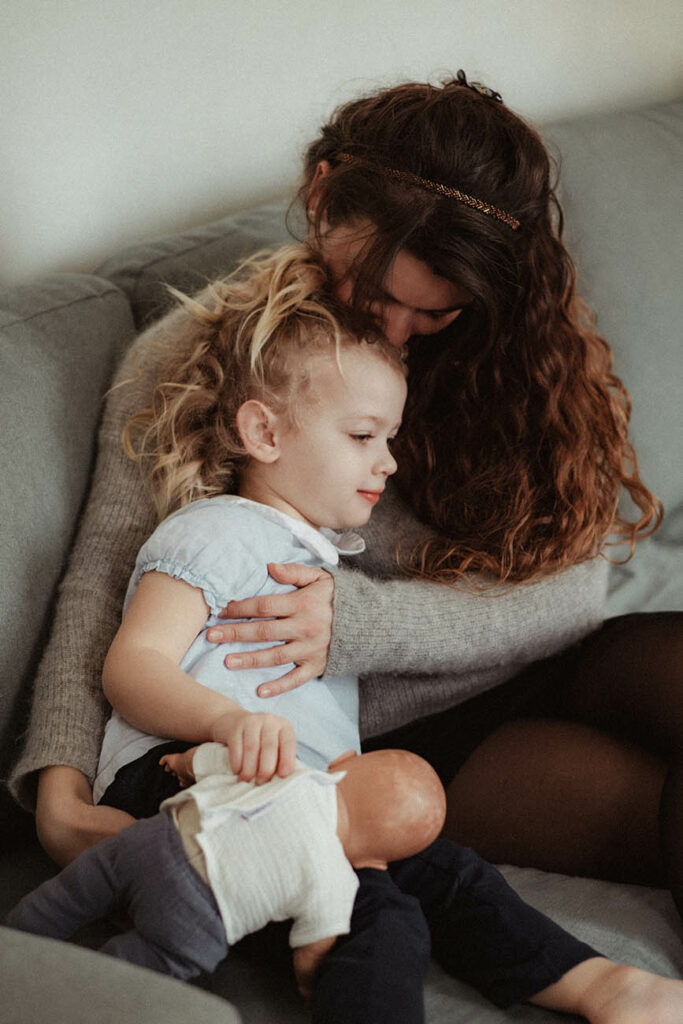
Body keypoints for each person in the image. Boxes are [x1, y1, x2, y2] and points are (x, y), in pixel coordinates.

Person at [9, 71, 682, 927]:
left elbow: (576, 591)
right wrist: (60, 792)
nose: (397, 331)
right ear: (322, 194)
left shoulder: (508, 350)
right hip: (401, 741)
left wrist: (354, 622)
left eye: (433, 313)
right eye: (376, 292)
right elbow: (105, 583)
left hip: (546, 650)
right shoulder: (204, 359)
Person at [7, 742, 446, 1005]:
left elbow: (218, 757)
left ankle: (16, 935)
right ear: (374, 864)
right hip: (196, 919)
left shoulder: (289, 768)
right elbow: (312, 947)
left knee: (75, 890)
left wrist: (184, 762)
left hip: (154, 844)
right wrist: (308, 983)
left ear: (341, 762)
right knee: (140, 967)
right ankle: (66, 996)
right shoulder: (339, 882)